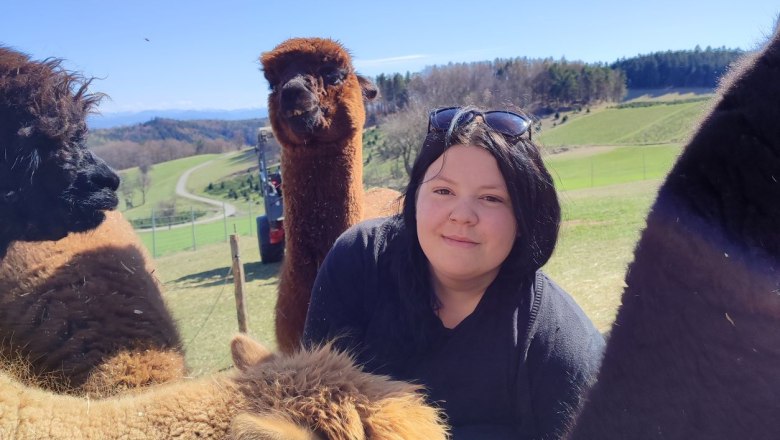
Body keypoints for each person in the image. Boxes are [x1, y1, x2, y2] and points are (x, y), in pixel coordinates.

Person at [303, 106, 605, 439]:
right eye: (443, 191)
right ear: (416, 197)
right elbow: (306, 411)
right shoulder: (358, 263)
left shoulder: (559, 348)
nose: (462, 216)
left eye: (491, 198)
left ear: (524, 219)